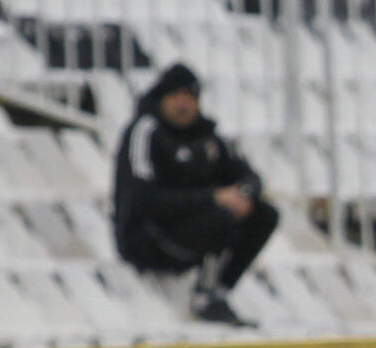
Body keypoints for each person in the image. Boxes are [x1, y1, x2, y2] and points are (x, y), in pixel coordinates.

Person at [112, 63, 278, 326]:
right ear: (162, 98)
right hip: (148, 237)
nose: (183, 105)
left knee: (264, 214)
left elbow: (249, 176)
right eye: (176, 97)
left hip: (191, 230)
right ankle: (204, 297)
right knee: (220, 215)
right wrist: (211, 198)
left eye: (189, 98)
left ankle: (216, 292)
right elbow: (142, 198)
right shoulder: (145, 131)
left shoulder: (206, 137)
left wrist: (243, 195)